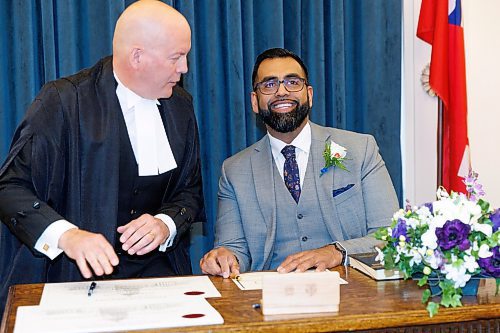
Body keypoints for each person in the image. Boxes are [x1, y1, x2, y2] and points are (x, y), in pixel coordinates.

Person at [0, 0, 203, 309]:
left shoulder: (181, 106)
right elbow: (9, 188)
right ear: (137, 56)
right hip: (74, 280)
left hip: (159, 279)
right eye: (177, 57)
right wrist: (69, 236)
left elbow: (190, 192)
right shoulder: (64, 101)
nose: (184, 68)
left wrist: (166, 223)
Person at [200, 48, 398, 278]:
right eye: (269, 85)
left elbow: (389, 235)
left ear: (309, 95)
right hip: (269, 301)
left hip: (352, 294)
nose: (282, 92)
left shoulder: (360, 149)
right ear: (255, 101)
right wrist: (223, 258)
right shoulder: (234, 171)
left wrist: (336, 252)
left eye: (293, 82)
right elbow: (233, 249)